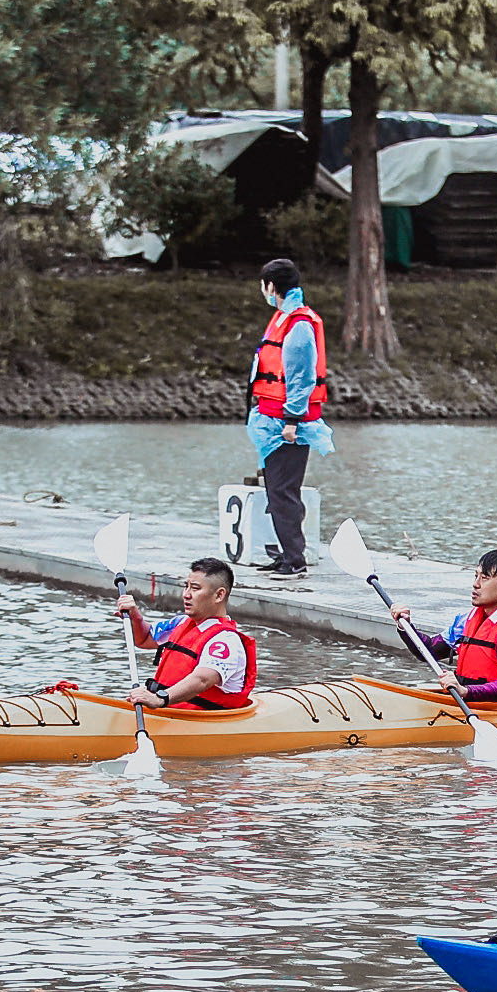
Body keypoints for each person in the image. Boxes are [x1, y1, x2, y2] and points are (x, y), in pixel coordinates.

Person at [246, 257, 331, 576]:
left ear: (272, 286)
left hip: (287, 425)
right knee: (277, 489)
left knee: (284, 490)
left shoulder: (298, 325)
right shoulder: (284, 319)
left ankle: (295, 559)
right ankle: (286, 554)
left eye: (263, 284)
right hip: (271, 421)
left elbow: (302, 377)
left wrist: (293, 421)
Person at [391, 548, 497, 701]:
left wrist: (466, 691)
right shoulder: (467, 620)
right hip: (470, 700)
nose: (476, 584)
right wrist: (405, 625)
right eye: (476, 576)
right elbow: (428, 651)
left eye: (485, 578)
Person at [116, 556, 258, 710]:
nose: (186, 594)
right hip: (168, 712)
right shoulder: (181, 623)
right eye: (186, 586)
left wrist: (159, 699)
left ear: (219, 595)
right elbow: (144, 639)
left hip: (197, 720)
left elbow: (202, 679)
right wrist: (136, 619)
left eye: (195, 588)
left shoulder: (226, 641)